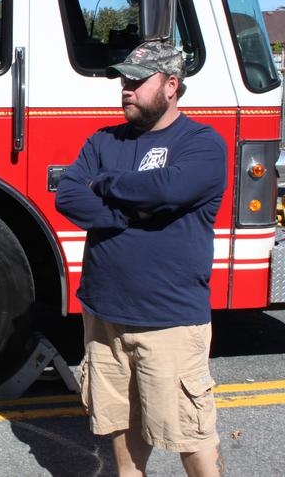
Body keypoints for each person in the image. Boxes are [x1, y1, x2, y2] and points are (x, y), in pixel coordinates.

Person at [55, 41, 227, 476]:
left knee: (191, 435)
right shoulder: (103, 140)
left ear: (171, 85)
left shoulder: (203, 144)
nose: (126, 88)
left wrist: (107, 184)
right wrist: (135, 208)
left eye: (137, 80)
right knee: (119, 426)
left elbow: (170, 188)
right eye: (123, 80)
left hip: (169, 320)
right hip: (104, 315)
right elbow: (70, 195)